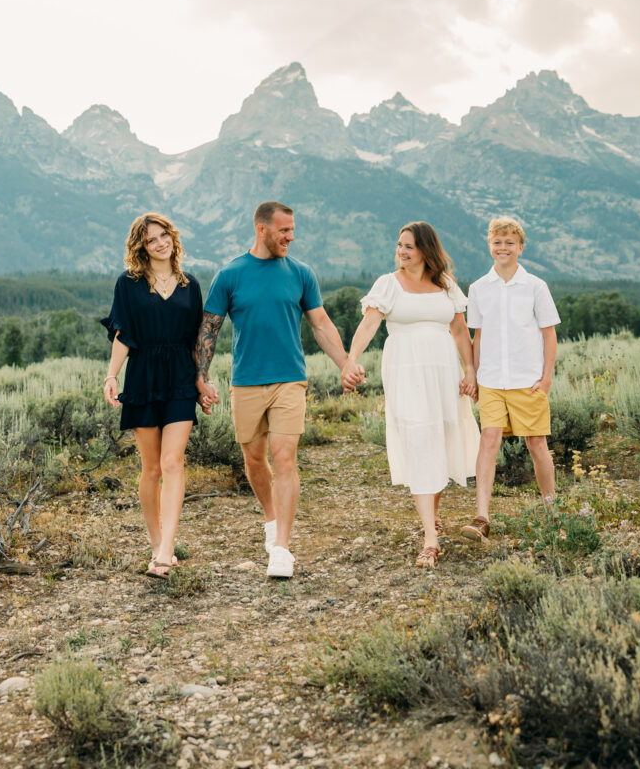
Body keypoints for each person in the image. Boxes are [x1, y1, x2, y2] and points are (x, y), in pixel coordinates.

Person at [196, 201, 362, 578]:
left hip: (290, 378)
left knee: (284, 458)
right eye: (284, 230)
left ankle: (282, 549)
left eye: (292, 230)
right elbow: (209, 329)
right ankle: (271, 520)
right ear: (262, 229)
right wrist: (201, 376)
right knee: (255, 460)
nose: (291, 236)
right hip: (246, 381)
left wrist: (345, 364)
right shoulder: (230, 275)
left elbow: (321, 324)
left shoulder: (301, 273)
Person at [342, 221, 480, 568]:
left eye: (408, 246)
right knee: (419, 440)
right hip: (406, 370)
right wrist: (350, 360)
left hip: (443, 372)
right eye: (399, 245)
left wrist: (470, 370)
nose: (400, 251)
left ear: (425, 250)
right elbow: (369, 324)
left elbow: (460, 330)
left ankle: (433, 514)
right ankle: (430, 539)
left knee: (440, 439)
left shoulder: (445, 284)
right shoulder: (388, 284)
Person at [102, 213, 203, 579]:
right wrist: (112, 375)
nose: (161, 243)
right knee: (152, 468)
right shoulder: (128, 284)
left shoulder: (190, 285)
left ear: (172, 237)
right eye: (151, 240)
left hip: (180, 377)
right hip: (143, 375)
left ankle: (166, 550)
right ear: (141, 247)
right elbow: (123, 334)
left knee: (173, 462)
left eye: (164, 236)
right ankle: (156, 541)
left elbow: (197, 340)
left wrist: (203, 380)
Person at [461, 217, 560, 542]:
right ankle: (482, 517)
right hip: (491, 380)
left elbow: (549, 335)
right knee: (488, 440)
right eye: (497, 242)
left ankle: (552, 511)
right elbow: (477, 337)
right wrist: (474, 374)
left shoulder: (535, 286)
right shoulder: (478, 288)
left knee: (536, 444)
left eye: (509, 243)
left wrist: (546, 379)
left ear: (520, 247)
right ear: (489, 245)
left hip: (527, 381)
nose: (502, 248)